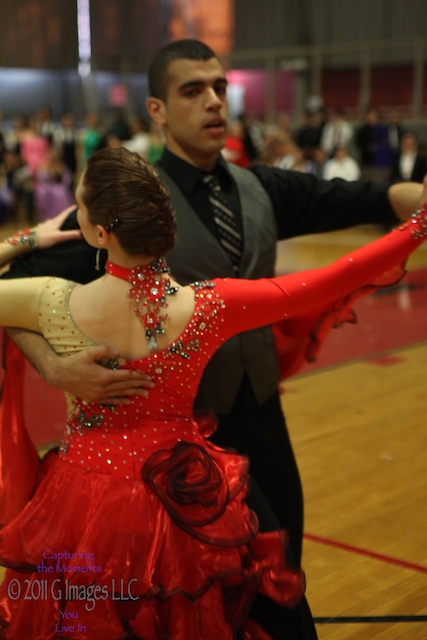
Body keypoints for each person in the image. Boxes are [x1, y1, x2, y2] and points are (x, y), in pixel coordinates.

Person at [2, 38, 427, 637]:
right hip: (181, 448)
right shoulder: (128, 202)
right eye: (192, 90)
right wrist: (53, 365)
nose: (213, 102)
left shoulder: (259, 188)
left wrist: (407, 202)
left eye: (220, 87)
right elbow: (17, 289)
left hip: (260, 417)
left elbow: (346, 200)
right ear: (156, 109)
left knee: (278, 576)